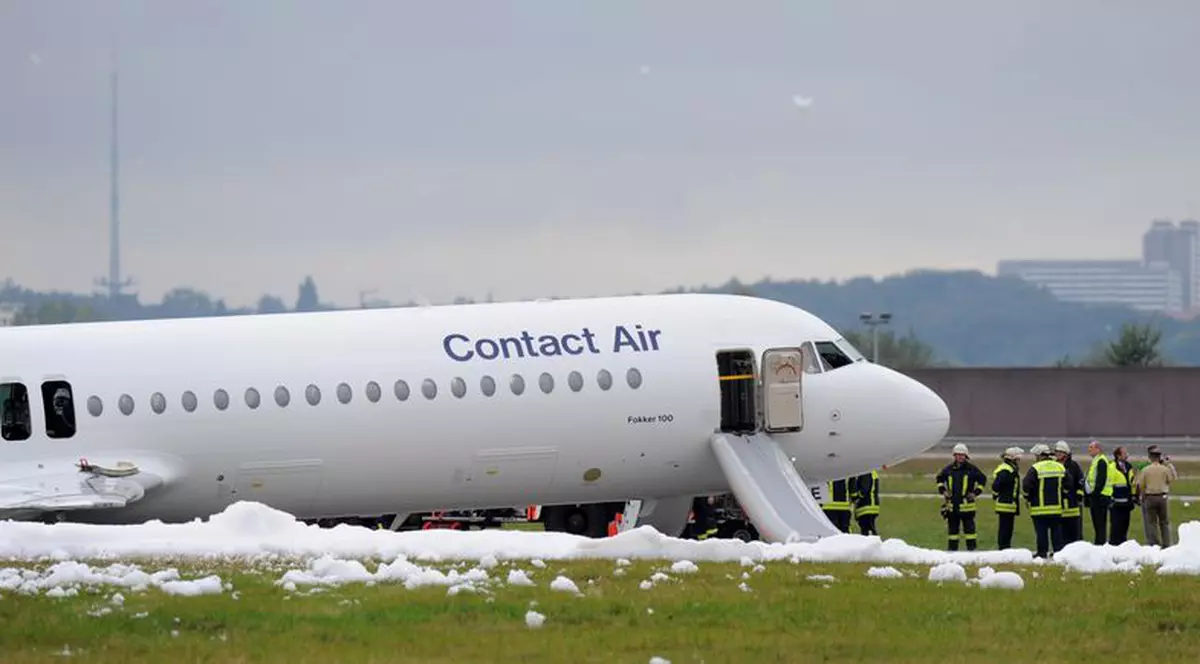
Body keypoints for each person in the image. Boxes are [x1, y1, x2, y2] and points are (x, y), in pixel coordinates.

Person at [935, 443, 988, 551]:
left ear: (966, 456)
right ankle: (952, 553)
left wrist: (975, 493)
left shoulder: (971, 469)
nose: (960, 457)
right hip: (952, 508)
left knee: (970, 533)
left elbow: (982, 480)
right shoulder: (948, 469)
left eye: (962, 455)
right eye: (957, 455)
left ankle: (972, 553)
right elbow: (939, 479)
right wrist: (943, 491)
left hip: (967, 507)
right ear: (954, 456)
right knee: (952, 534)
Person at [1023, 443, 1066, 558]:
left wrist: (1027, 497)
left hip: (1039, 508)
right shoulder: (1059, 467)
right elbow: (1068, 483)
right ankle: (1058, 553)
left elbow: (1026, 485)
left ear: (1039, 455)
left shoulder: (1036, 468)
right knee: (1056, 532)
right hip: (1056, 508)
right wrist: (1063, 494)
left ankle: (1042, 553)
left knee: (1041, 532)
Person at [1137, 445, 1173, 547]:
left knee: (1151, 523)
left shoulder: (1145, 470)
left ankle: (1154, 544)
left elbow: (1141, 485)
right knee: (1164, 522)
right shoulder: (1165, 469)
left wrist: (1142, 496)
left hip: (1150, 497)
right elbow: (1170, 480)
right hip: (1162, 497)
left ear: (1150, 457)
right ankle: (1166, 543)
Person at [990, 446, 1023, 550]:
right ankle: (1003, 549)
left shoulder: (1009, 468)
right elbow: (996, 486)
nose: (1018, 461)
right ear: (1012, 459)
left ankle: (1005, 548)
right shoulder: (1006, 470)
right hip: (1005, 504)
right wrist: (997, 495)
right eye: (1017, 459)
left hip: (1008, 504)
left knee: (1007, 529)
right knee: (1005, 530)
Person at [1052, 441, 1084, 544]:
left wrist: (1079, 495)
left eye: (1060, 452)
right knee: (1059, 533)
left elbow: (1080, 481)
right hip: (1058, 504)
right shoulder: (1054, 465)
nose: (1057, 454)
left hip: (1072, 504)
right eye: (1056, 452)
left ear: (1066, 453)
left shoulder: (1073, 465)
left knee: (1074, 531)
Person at [1085, 440, 1115, 545]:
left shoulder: (1101, 461)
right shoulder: (1096, 461)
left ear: (1098, 449)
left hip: (1100, 497)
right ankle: (1099, 543)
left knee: (1100, 524)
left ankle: (1100, 545)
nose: (1089, 449)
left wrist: (1094, 494)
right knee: (1097, 525)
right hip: (1097, 496)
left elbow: (1101, 480)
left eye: (1091, 447)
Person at [1109, 446, 1137, 544]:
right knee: (1116, 528)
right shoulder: (1112, 467)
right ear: (1118, 455)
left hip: (1127, 504)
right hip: (1116, 504)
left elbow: (1132, 483)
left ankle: (1123, 546)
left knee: (1125, 527)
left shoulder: (1129, 466)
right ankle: (1114, 546)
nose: (1127, 455)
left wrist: (1134, 496)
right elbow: (1109, 484)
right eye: (1124, 453)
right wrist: (1110, 499)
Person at [851, 470, 880, 536]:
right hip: (871, 506)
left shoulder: (866, 472)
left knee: (866, 530)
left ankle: (872, 541)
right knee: (870, 528)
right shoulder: (872, 472)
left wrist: (856, 496)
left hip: (866, 507)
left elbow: (864, 490)